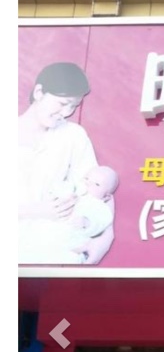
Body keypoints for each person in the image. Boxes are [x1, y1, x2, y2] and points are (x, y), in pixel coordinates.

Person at [19, 62, 115, 265]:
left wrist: (105, 238)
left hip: (52, 252)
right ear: (39, 92)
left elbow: (98, 188)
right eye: (63, 103)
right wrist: (34, 211)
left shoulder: (73, 136)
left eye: (74, 106)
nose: (66, 112)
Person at [19, 164, 119, 264]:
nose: (88, 184)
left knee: (68, 258)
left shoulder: (98, 206)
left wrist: (87, 222)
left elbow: (103, 220)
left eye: (97, 184)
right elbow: (56, 193)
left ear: (106, 197)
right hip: (49, 233)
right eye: (86, 178)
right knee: (33, 246)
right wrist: (59, 191)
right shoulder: (73, 192)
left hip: (71, 241)